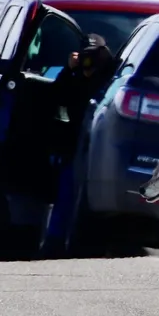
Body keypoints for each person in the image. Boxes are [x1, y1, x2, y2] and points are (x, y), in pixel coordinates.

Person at [39, 33, 116, 255]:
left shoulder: (108, 80)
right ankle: (55, 242)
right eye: (85, 56)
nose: (88, 61)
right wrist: (69, 70)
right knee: (66, 191)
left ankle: (80, 242)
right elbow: (55, 97)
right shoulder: (75, 80)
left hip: (100, 147)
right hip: (75, 144)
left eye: (93, 56)